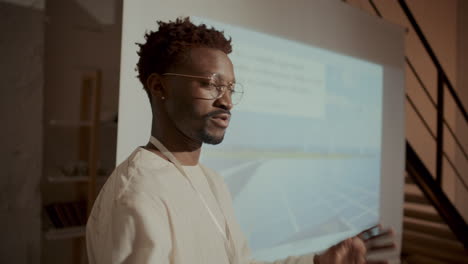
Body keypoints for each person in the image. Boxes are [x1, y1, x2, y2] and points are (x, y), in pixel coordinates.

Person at [86, 17, 395, 264]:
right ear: (159, 87)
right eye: (210, 84)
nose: (227, 102)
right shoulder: (137, 194)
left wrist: (317, 262)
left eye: (231, 88)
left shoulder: (212, 182)